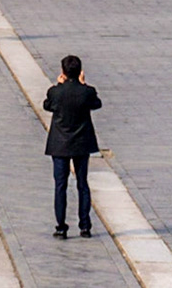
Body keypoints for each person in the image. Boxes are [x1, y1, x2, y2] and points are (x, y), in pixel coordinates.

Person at [43, 54, 100, 239]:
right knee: (82, 183)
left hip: (60, 144)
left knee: (60, 185)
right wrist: (83, 84)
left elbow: (47, 105)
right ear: (80, 72)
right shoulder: (87, 92)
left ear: (63, 72)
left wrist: (59, 85)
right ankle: (85, 226)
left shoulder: (55, 92)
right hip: (81, 143)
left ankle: (61, 227)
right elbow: (96, 104)